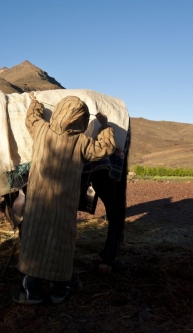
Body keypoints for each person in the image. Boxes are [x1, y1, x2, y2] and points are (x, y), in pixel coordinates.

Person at [13, 93, 116, 304]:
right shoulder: (82, 141)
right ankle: (60, 290)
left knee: (34, 242)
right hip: (64, 208)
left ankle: (31, 293)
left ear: (58, 111)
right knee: (61, 244)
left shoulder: (41, 130)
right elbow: (106, 148)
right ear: (81, 120)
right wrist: (104, 126)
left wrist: (35, 104)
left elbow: (31, 118)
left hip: (38, 205)